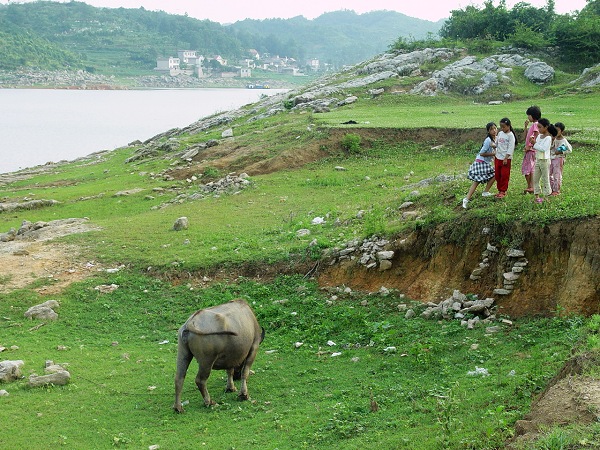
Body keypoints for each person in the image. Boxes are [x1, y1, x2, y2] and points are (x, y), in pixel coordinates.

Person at [462, 122, 497, 209]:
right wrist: (493, 154)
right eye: (491, 129)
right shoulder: (488, 140)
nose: (494, 130)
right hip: (481, 162)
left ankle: (467, 199)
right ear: (488, 131)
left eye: (495, 128)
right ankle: (483, 193)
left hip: (483, 162)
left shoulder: (495, 139)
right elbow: (482, 153)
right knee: (494, 174)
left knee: (477, 181)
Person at [531, 118, 558, 203]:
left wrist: (534, 143)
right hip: (538, 159)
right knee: (535, 178)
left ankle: (547, 196)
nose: (538, 129)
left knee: (545, 178)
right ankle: (537, 196)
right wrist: (534, 143)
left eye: (540, 127)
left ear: (546, 127)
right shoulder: (539, 136)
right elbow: (537, 146)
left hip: (545, 160)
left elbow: (543, 149)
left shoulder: (548, 138)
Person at [494, 117, 517, 198]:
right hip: (498, 157)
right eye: (501, 127)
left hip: (505, 159)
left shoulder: (511, 136)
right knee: (497, 174)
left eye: (504, 127)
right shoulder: (500, 133)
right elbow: (496, 143)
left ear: (508, 126)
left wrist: (506, 158)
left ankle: (503, 191)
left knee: (504, 175)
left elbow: (511, 148)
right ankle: (499, 189)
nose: (502, 128)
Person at [521, 105, 541, 194]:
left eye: (528, 115)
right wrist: (525, 127)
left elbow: (536, 135)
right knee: (530, 168)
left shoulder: (536, 125)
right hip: (531, 150)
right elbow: (525, 137)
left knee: (528, 168)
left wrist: (529, 146)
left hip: (531, 150)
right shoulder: (534, 125)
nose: (528, 117)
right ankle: (531, 186)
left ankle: (531, 186)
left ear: (532, 115)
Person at [549, 122, 572, 196]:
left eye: (558, 130)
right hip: (551, 158)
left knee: (557, 174)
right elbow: (550, 147)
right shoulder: (553, 138)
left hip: (559, 159)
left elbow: (569, 149)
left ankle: (556, 190)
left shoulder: (563, 141)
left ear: (562, 131)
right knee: (549, 173)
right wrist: (552, 140)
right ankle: (551, 188)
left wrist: (561, 151)